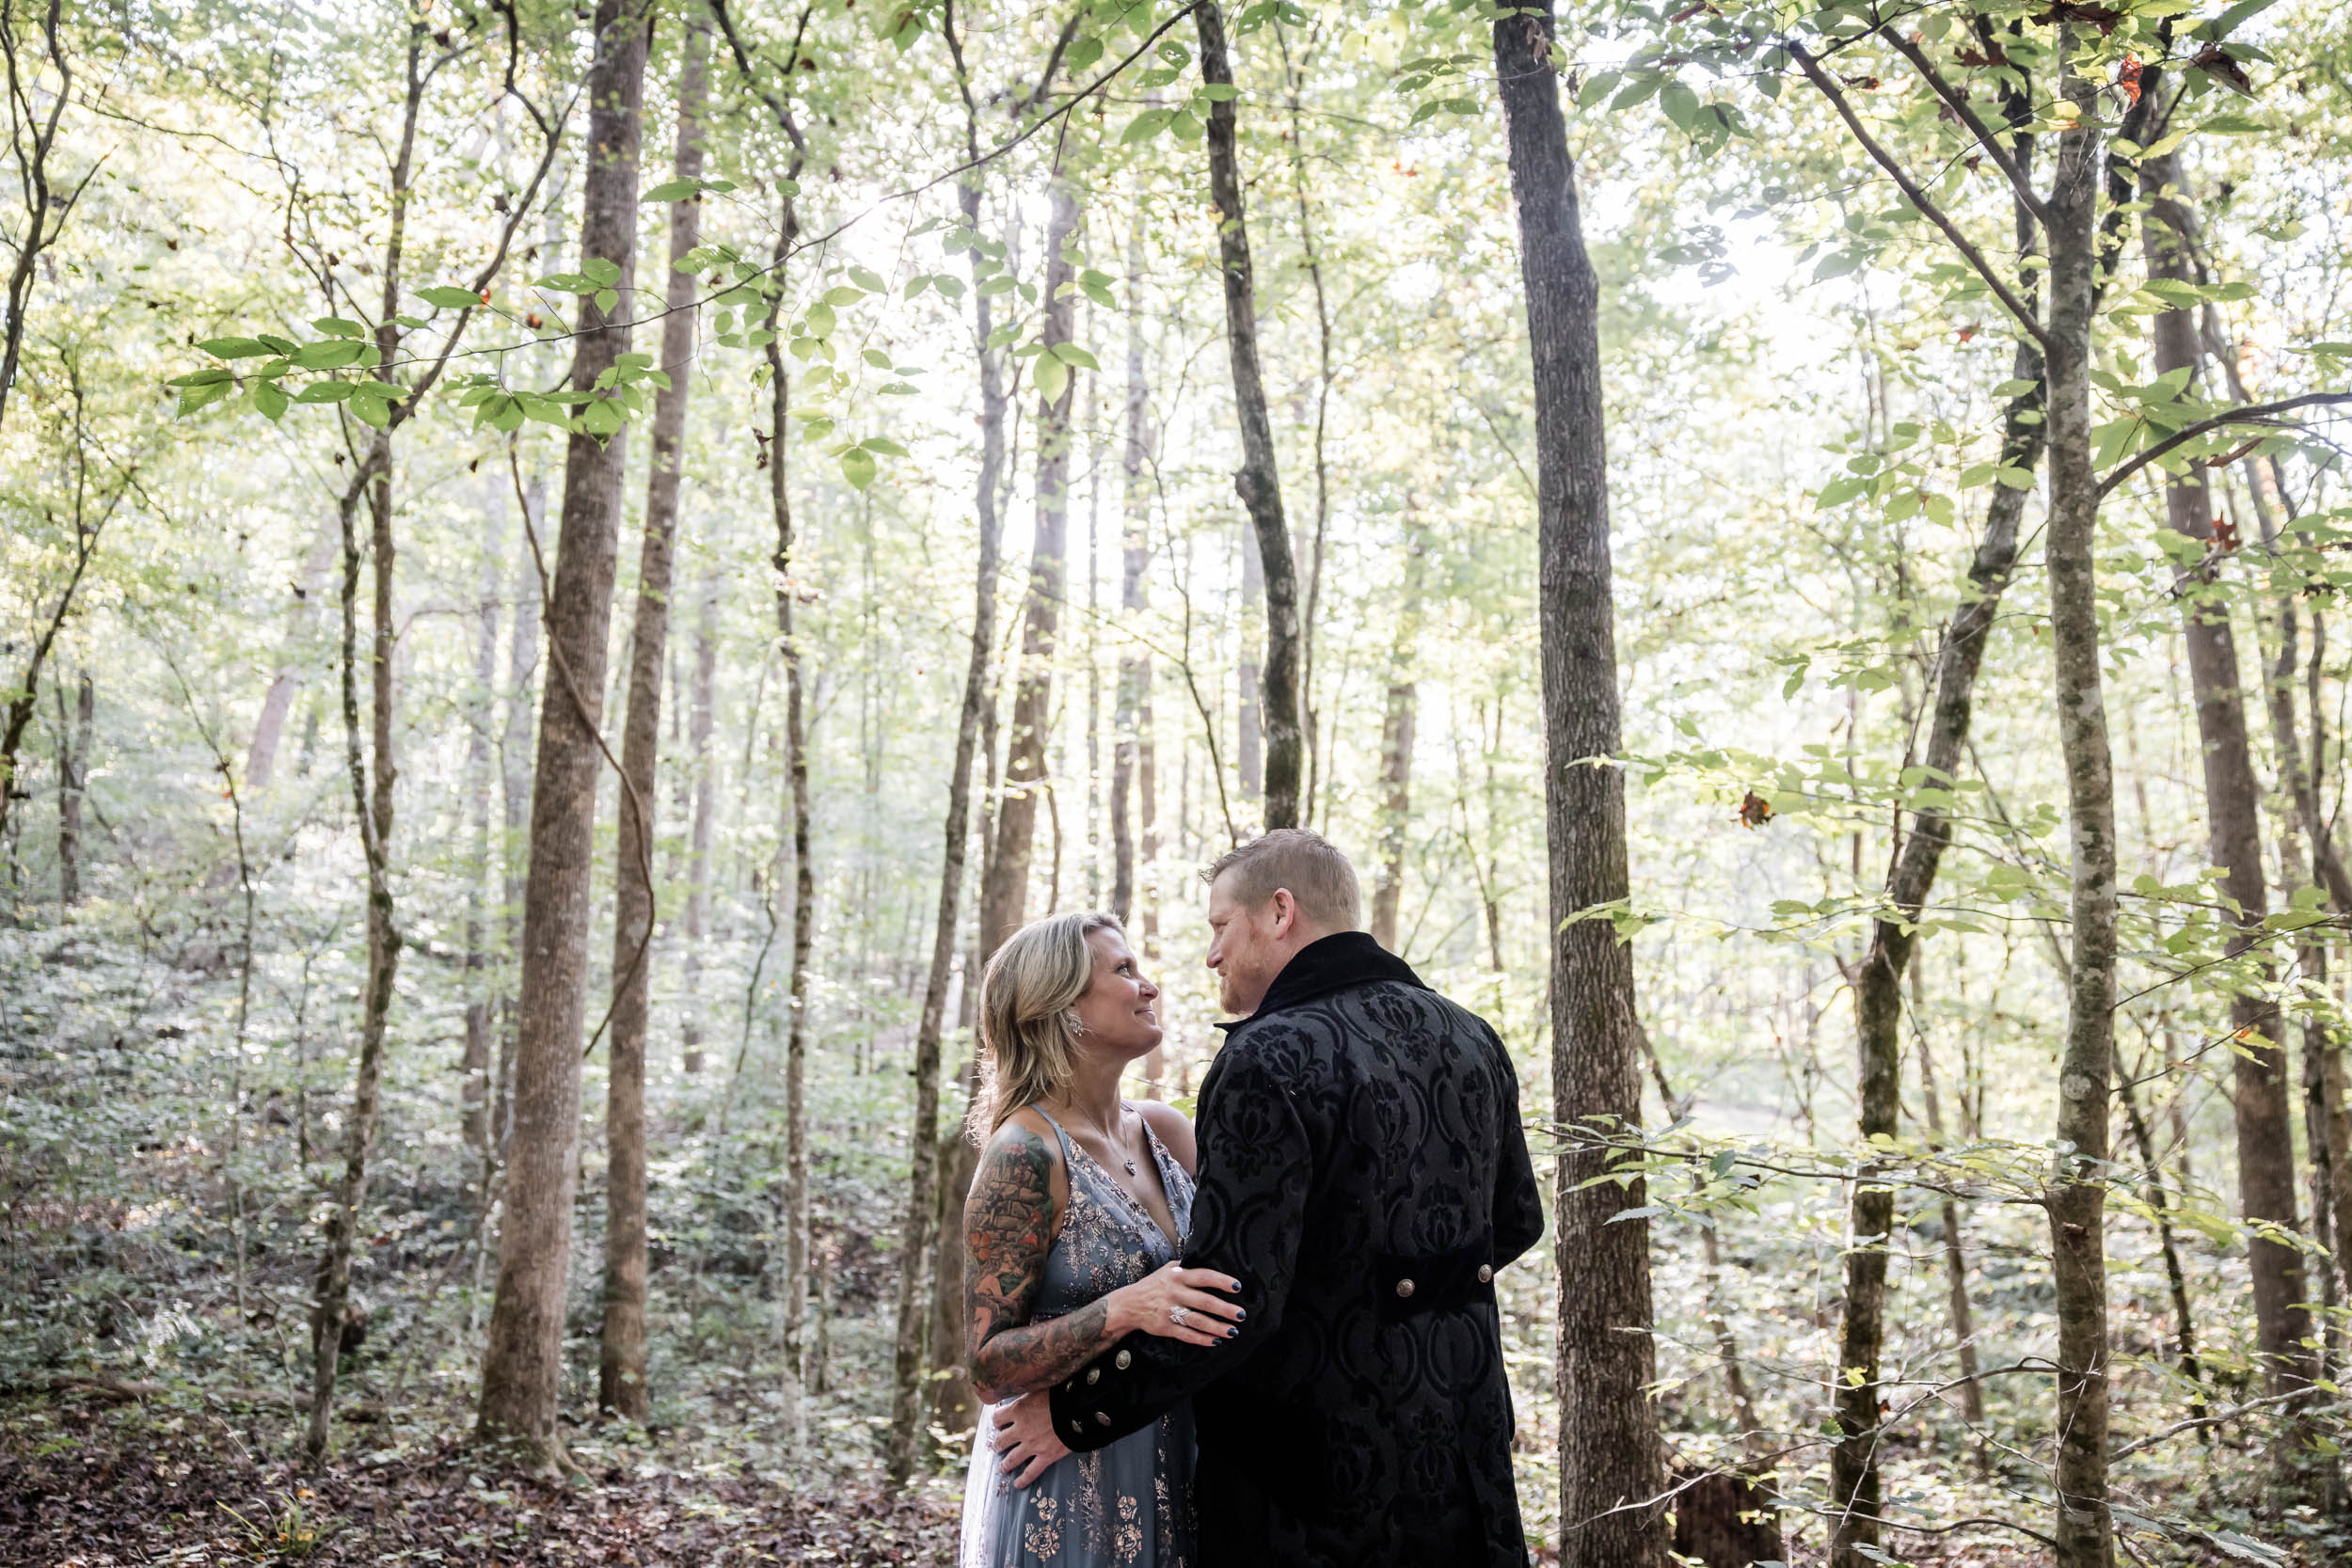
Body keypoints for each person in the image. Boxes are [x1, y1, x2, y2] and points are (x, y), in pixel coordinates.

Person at [991, 831, 1546, 1568]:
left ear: (1279, 911)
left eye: (1221, 925)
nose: (1211, 954)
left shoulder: (1267, 1054)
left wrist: (1077, 1412)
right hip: (1468, 1447)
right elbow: (1516, 1221)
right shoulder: (1472, 1036)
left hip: (1312, 1484)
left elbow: (1232, 1298)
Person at [958, 911, 1245, 1568]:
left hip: (1181, 1456)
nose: (1148, 986)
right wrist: (1124, 1308)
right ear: (1059, 1007)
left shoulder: (1168, 1130)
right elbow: (986, 1364)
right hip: (1065, 1483)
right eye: (1123, 970)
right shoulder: (1024, 1154)